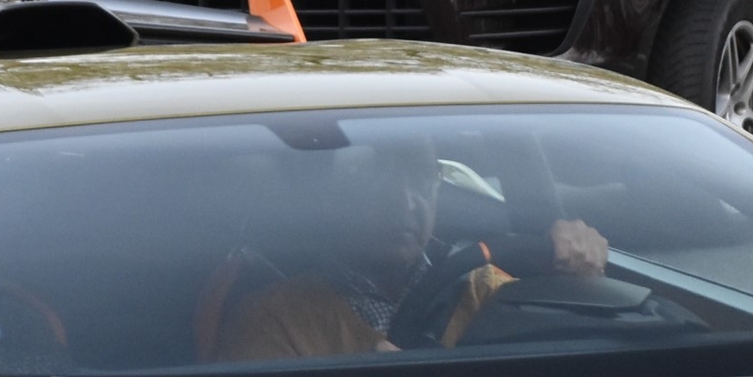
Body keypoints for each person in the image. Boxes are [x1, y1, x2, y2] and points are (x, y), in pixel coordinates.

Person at [216, 145, 611, 361]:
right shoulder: (271, 321)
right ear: (333, 195)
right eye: (378, 180)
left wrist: (582, 289)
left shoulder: (487, 289)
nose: (406, 203)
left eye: (422, 178)